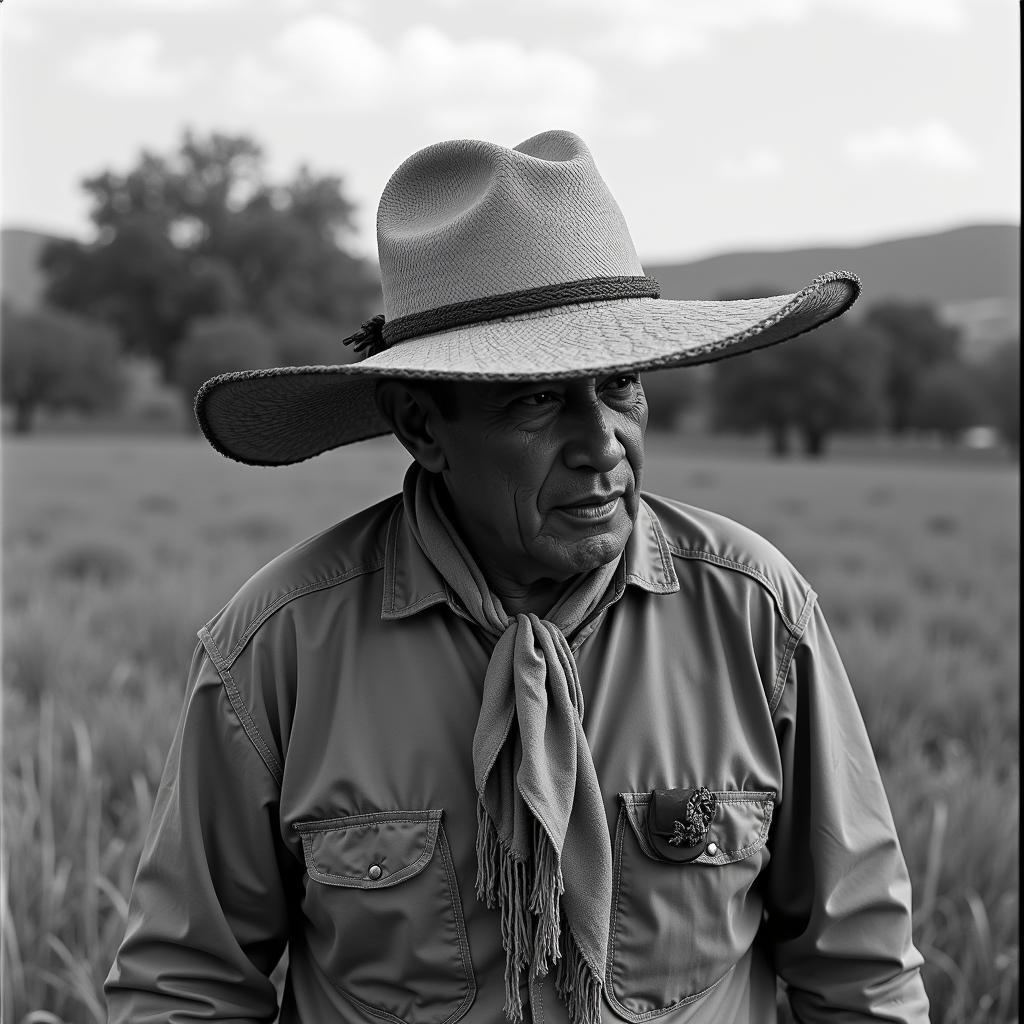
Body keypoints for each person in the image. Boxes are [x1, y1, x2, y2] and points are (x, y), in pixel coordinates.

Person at [106, 130, 930, 1024]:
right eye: (538, 399)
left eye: (621, 385)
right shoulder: (280, 649)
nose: (603, 443)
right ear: (421, 424)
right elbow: (185, 989)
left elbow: (859, 973)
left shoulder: (755, 613)